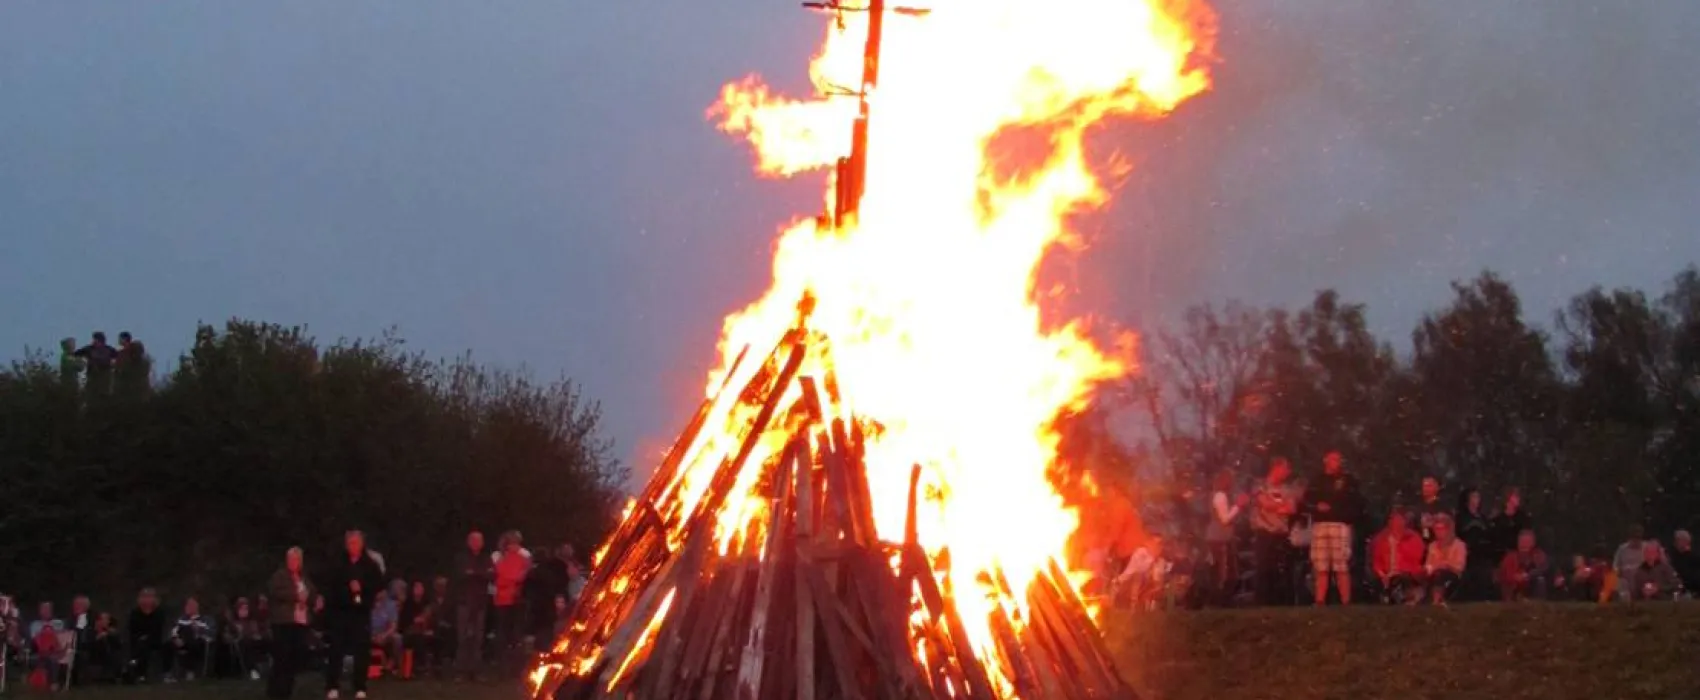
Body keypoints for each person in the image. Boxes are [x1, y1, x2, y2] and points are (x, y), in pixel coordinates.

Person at [325, 530, 386, 700]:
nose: (353, 546)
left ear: (362, 544)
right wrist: (347, 590)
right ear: (346, 545)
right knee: (336, 648)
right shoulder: (338, 563)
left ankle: (360, 686)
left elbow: (378, 586)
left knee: (361, 650)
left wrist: (362, 588)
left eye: (356, 543)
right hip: (341, 612)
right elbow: (331, 587)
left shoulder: (370, 564)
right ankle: (332, 685)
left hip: (361, 613)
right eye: (350, 543)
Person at [1303, 451, 1364, 605]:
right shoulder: (1317, 480)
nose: (1336, 462)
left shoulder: (1348, 481)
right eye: (1333, 459)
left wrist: (1346, 516)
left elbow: (1356, 502)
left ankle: (1345, 601)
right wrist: (1317, 506)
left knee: (1341, 565)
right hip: (1320, 525)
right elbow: (1306, 501)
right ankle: (1320, 601)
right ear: (1326, 460)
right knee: (1321, 566)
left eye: (1338, 459)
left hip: (1340, 524)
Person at [268, 547, 316, 699]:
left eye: (296, 559)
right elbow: (275, 592)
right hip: (284, 622)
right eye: (291, 559)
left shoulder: (304, 577)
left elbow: (312, 592)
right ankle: (277, 692)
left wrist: (312, 598)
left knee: (294, 658)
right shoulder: (280, 576)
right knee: (282, 658)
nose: (294, 562)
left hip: (300, 622)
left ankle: (287, 689)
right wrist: (296, 596)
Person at [1251, 458, 1299, 606]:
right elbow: (1264, 503)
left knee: (1283, 570)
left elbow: (1292, 509)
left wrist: (1275, 506)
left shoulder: (1287, 489)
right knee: (1264, 569)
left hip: (1281, 534)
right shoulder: (1260, 485)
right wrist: (1280, 505)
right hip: (1264, 533)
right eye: (1286, 469)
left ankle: (1282, 603)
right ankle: (1262, 603)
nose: (1288, 472)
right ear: (1276, 468)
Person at [453, 529, 494, 680]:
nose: (477, 543)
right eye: (474, 540)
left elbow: (491, 574)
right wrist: (480, 574)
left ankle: (476, 671)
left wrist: (474, 573)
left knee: (478, 638)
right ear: (469, 542)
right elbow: (460, 575)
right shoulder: (461, 557)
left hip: (481, 603)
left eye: (480, 540)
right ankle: (461, 671)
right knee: (463, 637)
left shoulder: (486, 557)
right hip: (464, 602)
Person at [1205, 471, 1249, 606]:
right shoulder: (1220, 496)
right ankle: (1220, 602)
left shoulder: (1220, 495)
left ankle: (1222, 601)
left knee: (1226, 573)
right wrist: (1238, 506)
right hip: (1219, 540)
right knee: (1223, 574)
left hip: (1221, 539)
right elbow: (1225, 519)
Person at [492, 530, 534, 667]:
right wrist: (513, 579)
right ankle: (502, 662)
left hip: (517, 598)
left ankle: (516, 663)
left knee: (517, 632)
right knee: (503, 631)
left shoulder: (524, 555)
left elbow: (524, 575)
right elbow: (499, 576)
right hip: (502, 599)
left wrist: (513, 579)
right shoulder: (498, 556)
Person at [1371, 509, 1426, 604]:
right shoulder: (1381, 539)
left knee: (1401, 580)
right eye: (1393, 519)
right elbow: (1377, 561)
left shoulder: (1413, 538)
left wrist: (1400, 544)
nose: (1396, 522)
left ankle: (1403, 597)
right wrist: (1382, 575)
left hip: (1407, 573)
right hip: (1387, 575)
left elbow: (1417, 558)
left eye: (1399, 519)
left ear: (1405, 521)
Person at [1455, 487, 1494, 601]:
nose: (1476, 500)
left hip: (1483, 553)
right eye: (1473, 496)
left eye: (1477, 497)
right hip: (1467, 553)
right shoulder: (1461, 517)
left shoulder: (1483, 518)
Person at [127, 588, 168, 683]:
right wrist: (140, 637)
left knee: (145, 644)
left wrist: (147, 636)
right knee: (141, 645)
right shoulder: (135, 613)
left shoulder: (159, 612)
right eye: (144, 597)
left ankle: (136, 665)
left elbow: (158, 628)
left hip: (155, 639)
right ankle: (140, 673)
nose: (147, 600)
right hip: (137, 640)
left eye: (149, 597)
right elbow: (131, 629)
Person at [1425, 514, 1468, 604]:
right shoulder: (1432, 546)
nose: (1439, 532)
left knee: (1441, 576)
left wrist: (1446, 566)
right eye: (1436, 529)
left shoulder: (1459, 545)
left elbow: (1459, 568)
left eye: (1441, 529)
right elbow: (1428, 565)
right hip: (1434, 575)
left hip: (1453, 576)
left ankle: (1437, 600)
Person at [169, 596, 215, 681]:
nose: (190, 607)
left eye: (192, 605)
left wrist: (198, 629)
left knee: (191, 636)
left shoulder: (205, 620)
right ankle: (170, 673)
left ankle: (190, 671)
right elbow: (174, 631)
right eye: (188, 605)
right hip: (182, 643)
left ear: (197, 606)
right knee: (168, 645)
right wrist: (176, 639)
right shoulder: (181, 620)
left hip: (201, 644)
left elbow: (211, 634)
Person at [1497, 529, 1550, 601]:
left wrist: (1529, 575)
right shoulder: (1510, 558)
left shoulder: (1538, 555)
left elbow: (1544, 568)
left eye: (1527, 543)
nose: (1524, 545)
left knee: (1541, 580)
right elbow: (1506, 576)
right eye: (1522, 542)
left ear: (1533, 544)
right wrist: (1517, 577)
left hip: (1532, 587)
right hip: (1514, 590)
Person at [222, 597, 266, 679]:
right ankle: (253, 670)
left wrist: (257, 636)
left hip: (254, 644)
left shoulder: (252, 622)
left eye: (246, 608)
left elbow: (256, 634)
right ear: (237, 610)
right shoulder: (233, 623)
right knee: (245, 644)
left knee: (259, 643)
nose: (244, 611)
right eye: (242, 608)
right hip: (240, 645)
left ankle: (258, 670)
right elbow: (227, 636)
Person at [400, 580, 438, 676]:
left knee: (430, 638)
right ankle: (417, 667)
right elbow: (403, 621)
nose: (419, 590)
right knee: (416, 638)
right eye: (416, 587)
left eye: (421, 587)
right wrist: (414, 620)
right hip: (410, 631)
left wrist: (429, 628)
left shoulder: (427, 603)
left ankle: (429, 666)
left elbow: (433, 619)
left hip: (425, 630)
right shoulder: (408, 603)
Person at [1488, 488, 1532, 563]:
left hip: (1520, 556)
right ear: (1508, 498)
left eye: (1518, 496)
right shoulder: (1498, 520)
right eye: (1515, 496)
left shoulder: (1523, 518)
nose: (1518, 498)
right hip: (1502, 557)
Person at [73, 331, 119, 396]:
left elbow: (118, 357)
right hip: (94, 376)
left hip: (104, 376)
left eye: (95, 339)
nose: (94, 341)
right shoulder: (90, 348)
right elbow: (76, 354)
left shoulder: (108, 349)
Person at [370, 585, 403, 677]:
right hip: (369, 633)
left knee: (397, 638)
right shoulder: (367, 604)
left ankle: (394, 666)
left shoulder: (391, 605)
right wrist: (372, 637)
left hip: (384, 634)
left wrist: (384, 635)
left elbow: (393, 626)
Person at [1613, 524, 1648, 601]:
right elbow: (1615, 566)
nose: (1636, 541)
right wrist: (1619, 571)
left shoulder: (1647, 548)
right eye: (1634, 538)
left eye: (1638, 538)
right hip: (1625, 578)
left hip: (1642, 578)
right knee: (1621, 584)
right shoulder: (1622, 549)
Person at [1416, 476, 1446, 543]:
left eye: (1429, 486)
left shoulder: (1442, 507)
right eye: (1424, 486)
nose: (1426, 488)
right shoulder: (1418, 506)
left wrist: (1432, 523)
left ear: (1437, 487)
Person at [1669, 530, 1700, 595]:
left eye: (1679, 540)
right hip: (1677, 585)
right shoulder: (1672, 555)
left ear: (1686, 541)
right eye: (1676, 540)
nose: (1676, 542)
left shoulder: (1694, 556)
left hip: (1692, 586)